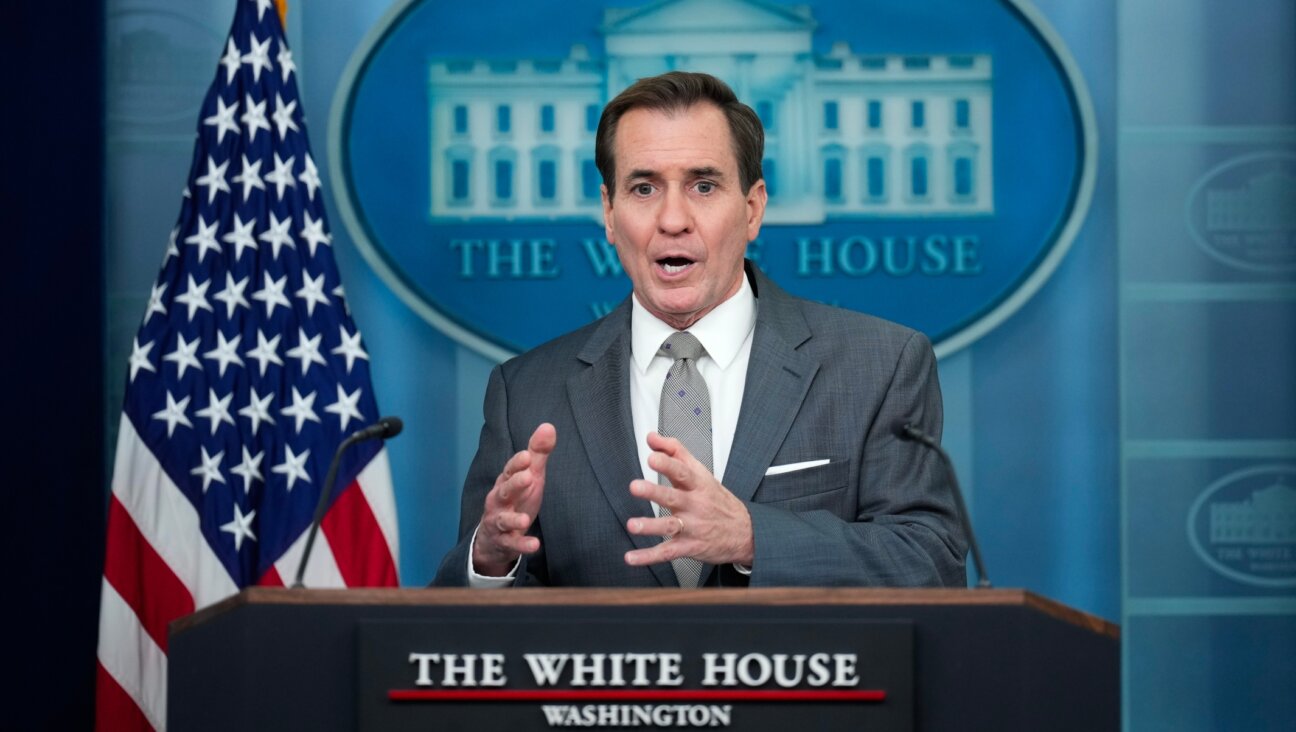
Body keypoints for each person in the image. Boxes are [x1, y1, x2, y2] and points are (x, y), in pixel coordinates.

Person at [433, 71, 967, 588]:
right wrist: (491, 560)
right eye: (643, 189)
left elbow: (930, 562)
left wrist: (752, 536)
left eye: (703, 185)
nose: (673, 219)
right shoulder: (525, 393)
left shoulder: (880, 365)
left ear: (753, 209)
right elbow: (457, 632)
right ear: (610, 214)